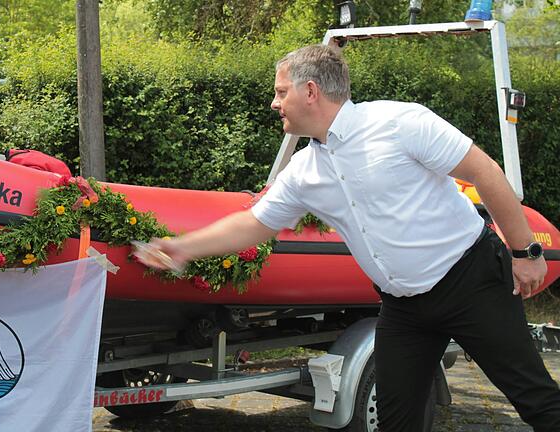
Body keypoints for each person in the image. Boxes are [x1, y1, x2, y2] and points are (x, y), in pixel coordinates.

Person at [138, 45, 560, 431]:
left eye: (280, 92)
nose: (274, 102)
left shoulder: (400, 123)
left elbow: (485, 172)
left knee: (535, 400)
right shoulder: (304, 171)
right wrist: (182, 247)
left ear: (310, 91)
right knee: (396, 424)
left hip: (471, 282)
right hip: (403, 307)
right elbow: (255, 224)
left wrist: (524, 252)